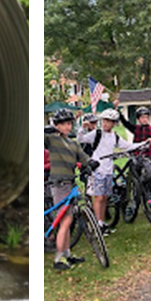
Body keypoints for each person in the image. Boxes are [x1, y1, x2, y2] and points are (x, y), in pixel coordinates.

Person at [45, 108, 98, 270]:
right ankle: (58, 259)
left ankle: (67, 254)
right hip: (59, 183)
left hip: (70, 183)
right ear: (57, 126)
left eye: (69, 123)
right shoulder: (52, 140)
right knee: (65, 220)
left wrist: (91, 163)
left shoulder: (73, 143)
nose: (67, 127)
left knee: (68, 220)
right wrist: (46, 129)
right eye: (63, 124)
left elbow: (84, 157)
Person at [78, 109, 140, 235]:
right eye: (105, 121)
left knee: (105, 197)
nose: (106, 124)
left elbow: (127, 146)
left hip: (108, 170)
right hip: (98, 169)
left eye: (109, 122)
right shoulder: (97, 133)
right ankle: (96, 224)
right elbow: (81, 139)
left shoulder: (115, 136)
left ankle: (101, 223)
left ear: (114, 123)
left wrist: (143, 143)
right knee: (98, 197)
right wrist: (82, 128)